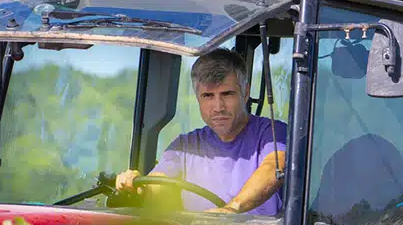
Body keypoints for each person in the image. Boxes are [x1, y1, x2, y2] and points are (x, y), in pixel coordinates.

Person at [115, 48, 288, 215]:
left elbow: (273, 166)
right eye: (208, 96)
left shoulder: (272, 133)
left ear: (245, 93)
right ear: (198, 97)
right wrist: (137, 186)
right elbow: (159, 182)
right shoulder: (185, 147)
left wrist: (232, 209)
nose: (218, 107)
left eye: (227, 94)